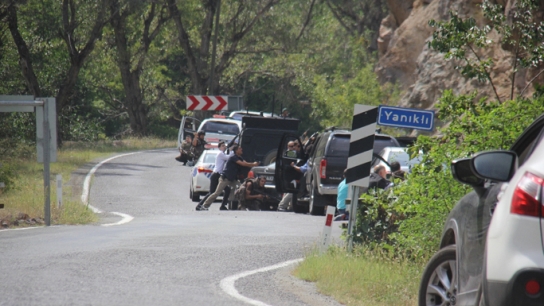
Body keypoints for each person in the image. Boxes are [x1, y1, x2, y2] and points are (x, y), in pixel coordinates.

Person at [199, 145, 259, 211]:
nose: (241, 149)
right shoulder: (233, 157)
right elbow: (242, 164)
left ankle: (238, 205)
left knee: (241, 188)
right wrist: (253, 164)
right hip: (225, 178)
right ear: (236, 151)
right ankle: (205, 206)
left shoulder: (239, 157)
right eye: (239, 148)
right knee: (217, 193)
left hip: (232, 179)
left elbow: (245, 163)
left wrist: (254, 163)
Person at [195, 141, 233, 211]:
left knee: (227, 190)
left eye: (224, 145)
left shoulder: (222, 153)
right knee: (212, 192)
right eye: (222, 146)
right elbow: (229, 157)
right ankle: (200, 205)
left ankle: (223, 206)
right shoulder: (220, 153)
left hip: (218, 175)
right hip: (216, 175)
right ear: (219, 148)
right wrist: (231, 151)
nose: (224, 146)